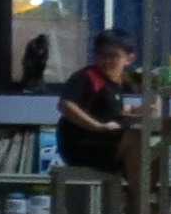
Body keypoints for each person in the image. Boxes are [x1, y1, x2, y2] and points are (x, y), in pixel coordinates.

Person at [56, 29, 140, 178]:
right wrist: (97, 126)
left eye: (113, 56)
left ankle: (135, 191)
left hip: (107, 141)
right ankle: (137, 192)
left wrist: (137, 109)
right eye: (101, 54)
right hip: (83, 143)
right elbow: (66, 105)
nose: (106, 60)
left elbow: (108, 110)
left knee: (153, 157)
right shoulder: (85, 77)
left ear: (129, 59)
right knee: (136, 139)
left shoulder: (120, 81)